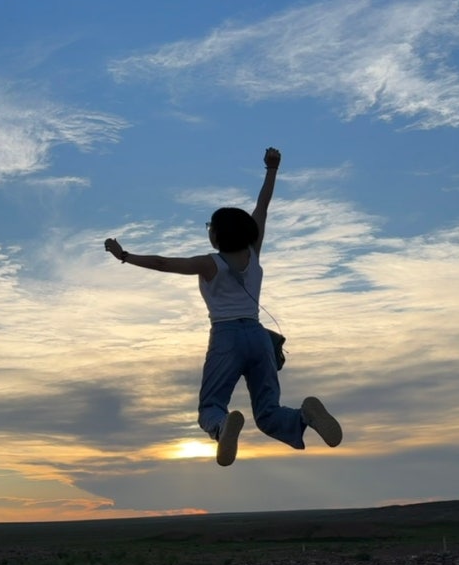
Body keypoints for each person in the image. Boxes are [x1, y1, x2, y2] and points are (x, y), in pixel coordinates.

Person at [104, 148, 342, 466]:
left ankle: (221, 426)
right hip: (259, 338)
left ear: (217, 236)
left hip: (226, 338)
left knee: (210, 406)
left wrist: (124, 256)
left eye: (210, 227)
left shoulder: (209, 263)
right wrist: (272, 169)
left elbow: (163, 263)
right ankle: (304, 417)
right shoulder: (253, 253)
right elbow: (263, 208)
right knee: (268, 413)